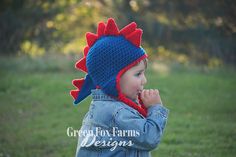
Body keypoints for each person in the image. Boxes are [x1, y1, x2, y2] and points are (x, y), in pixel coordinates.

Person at [70, 18, 169, 157]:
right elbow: (149, 138)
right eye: (138, 74)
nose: (144, 80)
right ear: (114, 78)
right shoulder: (118, 113)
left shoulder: (104, 106)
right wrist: (155, 108)